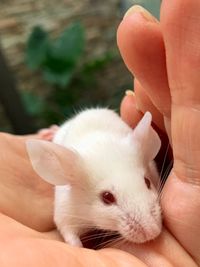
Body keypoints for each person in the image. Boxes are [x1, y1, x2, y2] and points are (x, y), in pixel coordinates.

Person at [0, 0, 200, 266]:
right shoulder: (72, 181)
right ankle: (57, 132)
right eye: (107, 198)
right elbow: (66, 224)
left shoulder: (135, 153)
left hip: (105, 125)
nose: (151, 226)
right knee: (65, 133)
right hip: (76, 129)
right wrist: (74, 244)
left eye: (148, 183)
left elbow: (147, 169)